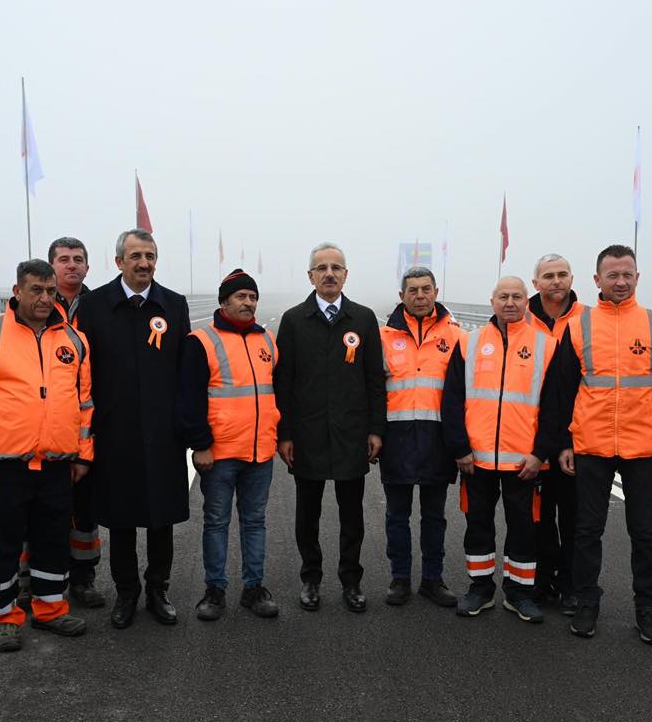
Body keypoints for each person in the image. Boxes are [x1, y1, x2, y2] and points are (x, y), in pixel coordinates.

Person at [545, 244, 652, 644]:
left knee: (644, 533)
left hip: (644, 447)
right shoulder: (579, 327)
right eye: (612, 275)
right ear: (597, 280)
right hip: (590, 445)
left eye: (627, 274)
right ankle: (587, 601)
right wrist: (563, 444)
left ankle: (648, 609)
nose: (620, 281)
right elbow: (561, 392)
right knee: (587, 531)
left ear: (637, 277)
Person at [0, 259, 93, 652]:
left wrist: (84, 455)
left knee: (52, 538)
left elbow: (85, 404)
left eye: (50, 291)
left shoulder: (73, 340)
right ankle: (3, 616)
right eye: (36, 290)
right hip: (4, 463)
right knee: (3, 542)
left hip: (56, 463)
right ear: (17, 291)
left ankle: (50, 609)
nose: (45, 298)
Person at [77, 229, 191, 629]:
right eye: (136, 256)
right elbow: (81, 374)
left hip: (163, 433)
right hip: (114, 432)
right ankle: (126, 593)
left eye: (151, 256)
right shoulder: (93, 307)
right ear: (119, 262)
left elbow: (184, 371)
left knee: (161, 516)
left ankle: (158, 588)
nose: (144, 263)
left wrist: (185, 426)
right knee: (121, 517)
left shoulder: (173, 306)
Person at [274, 242, 387, 613]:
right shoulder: (293, 320)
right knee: (308, 513)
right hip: (307, 436)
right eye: (321, 268)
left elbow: (374, 380)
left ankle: (351, 580)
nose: (329, 273)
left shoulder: (364, 319)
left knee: (352, 513)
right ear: (310, 276)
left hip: (351, 434)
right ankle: (310, 578)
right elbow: (284, 383)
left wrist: (375, 429)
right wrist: (285, 434)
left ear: (346, 274)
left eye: (336, 267)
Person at [442, 277, 555, 622]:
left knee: (524, 527)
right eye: (503, 296)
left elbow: (556, 406)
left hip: (525, 462)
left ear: (527, 301)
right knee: (478, 524)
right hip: (475, 460)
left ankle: (519, 593)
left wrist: (540, 453)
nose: (510, 302)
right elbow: (452, 399)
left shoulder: (546, 345)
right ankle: (480, 588)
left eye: (517, 296)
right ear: (491, 301)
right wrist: (459, 448)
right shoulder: (469, 342)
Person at [179, 269, 281, 620]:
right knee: (217, 522)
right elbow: (189, 399)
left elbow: (274, 393)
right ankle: (215, 590)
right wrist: (200, 445)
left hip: (260, 452)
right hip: (219, 454)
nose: (248, 303)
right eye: (241, 297)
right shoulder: (201, 341)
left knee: (255, 522)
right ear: (224, 302)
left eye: (252, 297)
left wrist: (279, 437)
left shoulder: (266, 339)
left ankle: (254, 587)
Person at [378, 265, 462, 608]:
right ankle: (400, 578)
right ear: (401, 296)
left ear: (436, 292)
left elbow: (463, 392)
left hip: (437, 441)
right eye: (412, 290)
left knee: (435, 517)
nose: (420, 296)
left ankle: (432, 578)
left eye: (426, 289)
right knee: (396, 517)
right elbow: (372, 390)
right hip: (396, 440)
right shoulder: (382, 336)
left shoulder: (455, 336)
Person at [527, 253, 587, 611]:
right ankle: (541, 578)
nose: (556, 281)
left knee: (575, 516)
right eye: (548, 276)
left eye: (562, 274)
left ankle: (572, 584)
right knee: (538, 517)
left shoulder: (589, 320)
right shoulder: (522, 317)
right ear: (536, 283)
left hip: (577, 437)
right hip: (531, 437)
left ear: (572, 278)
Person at [48, 236, 105, 609]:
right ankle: (28, 582)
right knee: (37, 512)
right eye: (64, 259)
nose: (72, 265)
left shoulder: (100, 307)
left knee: (85, 510)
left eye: (78, 259)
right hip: (42, 423)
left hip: (87, 422)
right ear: (51, 265)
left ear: (88, 267)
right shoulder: (34, 303)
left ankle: (83, 580)